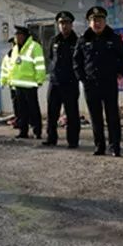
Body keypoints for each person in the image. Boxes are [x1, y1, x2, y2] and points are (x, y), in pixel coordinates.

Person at [74, 6, 123, 156]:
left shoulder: (113, 38)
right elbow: (76, 62)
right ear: (89, 22)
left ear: (105, 21)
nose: (97, 23)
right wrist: (82, 78)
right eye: (93, 20)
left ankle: (115, 147)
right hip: (90, 84)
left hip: (109, 83)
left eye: (99, 20)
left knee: (112, 116)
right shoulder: (83, 39)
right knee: (95, 117)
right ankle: (99, 146)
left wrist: (120, 72)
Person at [42, 11, 80, 149]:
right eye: (61, 23)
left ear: (71, 24)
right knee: (52, 112)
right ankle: (51, 138)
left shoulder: (77, 41)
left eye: (66, 23)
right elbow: (51, 57)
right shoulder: (54, 40)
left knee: (72, 113)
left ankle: (73, 141)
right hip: (55, 82)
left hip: (70, 82)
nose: (64, 26)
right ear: (58, 25)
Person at [10, 25, 46, 139]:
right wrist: (11, 81)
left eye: (19, 35)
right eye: (16, 35)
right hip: (18, 84)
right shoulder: (15, 48)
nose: (17, 38)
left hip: (30, 84)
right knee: (21, 110)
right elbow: (13, 66)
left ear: (25, 36)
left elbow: (40, 65)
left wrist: (40, 79)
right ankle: (23, 131)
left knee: (33, 109)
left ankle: (37, 131)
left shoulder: (35, 47)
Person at [0, 36, 22, 134]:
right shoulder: (9, 55)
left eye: (14, 43)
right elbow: (4, 69)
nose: (13, 45)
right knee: (16, 104)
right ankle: (18, 120)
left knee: (23, 105)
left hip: (22, 84)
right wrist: (3, 81)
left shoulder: (21, 54)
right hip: (12, 84)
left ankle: (24, 121)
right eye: (12, 44)